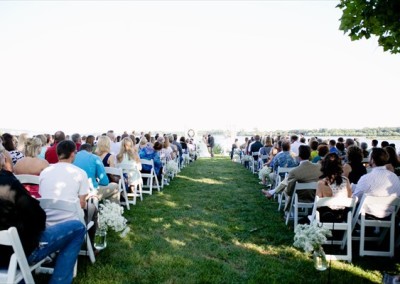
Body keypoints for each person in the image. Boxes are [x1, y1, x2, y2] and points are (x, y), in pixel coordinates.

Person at [0, 150, 86, 284]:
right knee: (78, 228)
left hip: (7, 250)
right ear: (4, 161)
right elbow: (38, 217)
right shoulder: (7, 182)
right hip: (17, 253)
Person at [39, 140, 98, 253]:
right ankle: (90, 247)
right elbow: (81, 203)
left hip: (47, 219)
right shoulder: (80, 173)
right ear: (72, 154)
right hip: (71, 221)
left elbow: (43, 196)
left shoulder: (45, 172)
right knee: (92, 208)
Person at [262, 145, 321, 213]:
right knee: (287, 181)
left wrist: (286, 190)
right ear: (310, 156)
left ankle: (272, 192)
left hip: (299, 197)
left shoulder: (295, 171)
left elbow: (289, 191)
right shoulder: (318, 167)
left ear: (299, 156)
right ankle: (271, 192)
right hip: (315, 195)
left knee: (287, 184)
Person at [353, 148, 400, 218]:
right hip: (389, 215)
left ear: (372, 160)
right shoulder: (395, 177)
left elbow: (356, 198)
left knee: (350, 208)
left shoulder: (366, 178)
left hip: (367, 214)